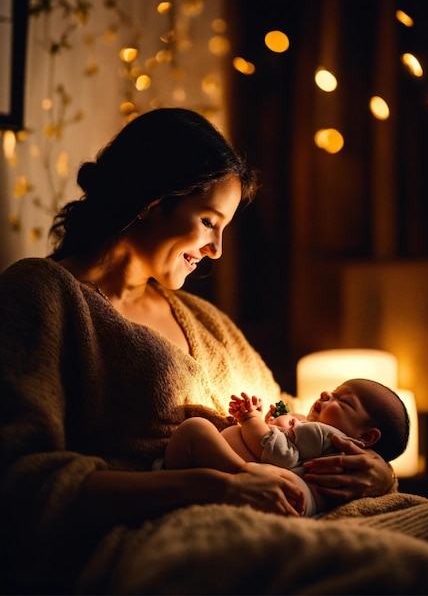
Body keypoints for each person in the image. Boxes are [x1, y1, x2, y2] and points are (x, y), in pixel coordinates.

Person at [0, 108, 396, 593]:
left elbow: (285, 420)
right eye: (209, 222)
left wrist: (371, 475)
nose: (217, 250)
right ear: (151, 199)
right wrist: (212, 485)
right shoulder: (41, 295)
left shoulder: (206, 322)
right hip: (148, 536)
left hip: (270, 515)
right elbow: (21, 481)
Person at [163, 379, 409, 516]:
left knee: (196, 429)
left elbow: (279, 453)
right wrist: (273, 419)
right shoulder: (317, 435)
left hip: (276, 491)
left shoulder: (325, 434)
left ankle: (173, 473)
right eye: (333, 391)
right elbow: (286, 432)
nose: (325, 393)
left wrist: (250, 420)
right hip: (284, 499)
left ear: (366, 435)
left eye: (342, 401)